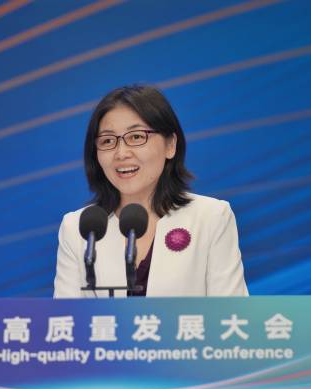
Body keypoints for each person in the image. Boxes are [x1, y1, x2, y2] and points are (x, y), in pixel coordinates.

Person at [54, 85, 248, 298]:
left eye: (136, 137)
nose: (121, 153)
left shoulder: (211, 217)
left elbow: (232, 312)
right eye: (107, 141)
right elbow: (65, 316)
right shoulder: (77, 229)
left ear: (170, 145)